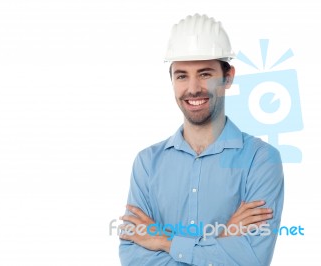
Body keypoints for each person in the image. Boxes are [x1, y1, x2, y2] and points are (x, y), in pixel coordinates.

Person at [119, 14, 284, 266]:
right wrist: (224, 238)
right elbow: (133, 257)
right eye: (182, 75)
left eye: (205, 74)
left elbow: (252, 260)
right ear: (172, 80)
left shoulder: (260, 160)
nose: (193, 88)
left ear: (228, 78)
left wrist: (165, 242)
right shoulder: (147, 163)